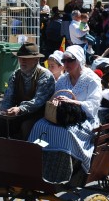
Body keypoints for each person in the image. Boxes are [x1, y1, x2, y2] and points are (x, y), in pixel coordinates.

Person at [28, 45, 102, 184]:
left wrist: (73, 102)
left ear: (79, 60)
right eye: (64, 61)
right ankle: (37, 164)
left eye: (70, 60)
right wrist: (55, 101)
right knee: (39, 126)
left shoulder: (92, 80)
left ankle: (64, 172)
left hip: (84, 120)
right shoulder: (63, 80)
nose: (65, 64)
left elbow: (93, 105)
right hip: (61, 117)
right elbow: (54, 97)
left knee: (65, 133)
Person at [0, 42, 55, 140]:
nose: (22, 61)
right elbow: (8, 97)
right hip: (18, 113)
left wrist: (20, 109)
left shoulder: (45, 76)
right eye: (20, 57)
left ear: (36, 59)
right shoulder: (15, 74)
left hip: (39, 114)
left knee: (26, 126)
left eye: (27, 58)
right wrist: (5, 110)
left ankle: (25, 154)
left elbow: (38, 101)